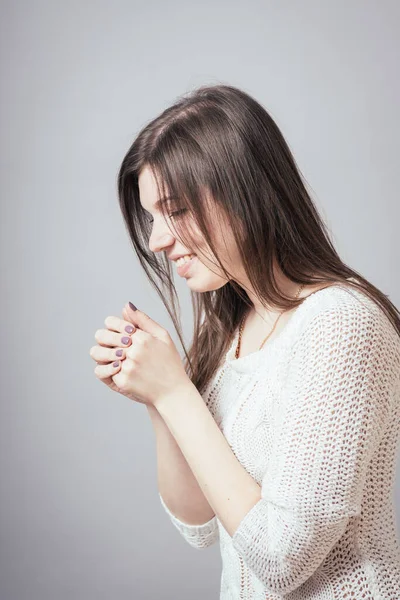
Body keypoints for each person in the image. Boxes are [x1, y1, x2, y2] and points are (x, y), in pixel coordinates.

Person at [94, 84, 400, 598]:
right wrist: (156, 397)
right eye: (151, 218)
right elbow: (200, 524)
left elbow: (282, 558)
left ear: (244, 192)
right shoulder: (230, 329)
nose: (156, 240)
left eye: (176, 210)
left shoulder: (341, 324)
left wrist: (174, 391)